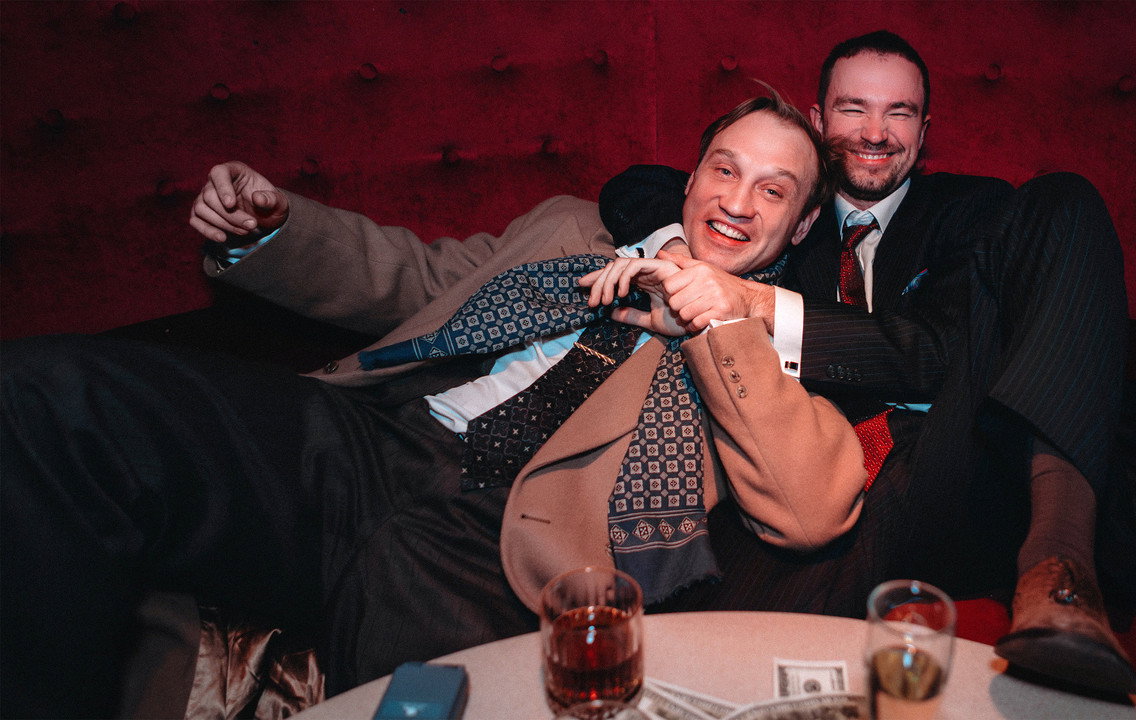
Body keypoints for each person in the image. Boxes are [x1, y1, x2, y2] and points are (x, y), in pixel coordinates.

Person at [1, 94, 878, 718]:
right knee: (45, 395)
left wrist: (720, 319)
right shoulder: (571, 227)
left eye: (774, 190)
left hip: (492, 541)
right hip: (361, 441)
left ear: (801, 226)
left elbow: (812, 509)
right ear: (690, 176)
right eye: (725, 169)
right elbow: (416, 277)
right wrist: (272, 230)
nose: (737, 201)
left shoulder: (774, 349)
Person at [597, 30, 1136, 696]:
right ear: (819, 120)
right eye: (853, 108)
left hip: (950, 450)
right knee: (701, 668)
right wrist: (680, 254)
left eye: (899, 112)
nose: (876, 133)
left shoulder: (972, 212)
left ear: (924, 130)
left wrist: (754, 300)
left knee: (1066, 197)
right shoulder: (785, 207)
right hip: (812, 472)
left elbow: (933, 354)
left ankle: (1060, 570)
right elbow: (638, 187)